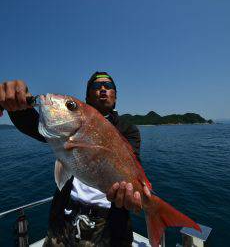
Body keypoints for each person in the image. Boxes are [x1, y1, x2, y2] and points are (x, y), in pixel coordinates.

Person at [0, 72, 150, 247]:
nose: (102, 89)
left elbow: (132, 169)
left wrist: (135, 195)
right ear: (87, 97)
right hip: (65, 217)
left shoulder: (128, 129)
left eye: (108, 86)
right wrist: (15, 105)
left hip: (109, 224)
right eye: (96, 86)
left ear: (115, 97)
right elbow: (34, 125)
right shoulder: (64, 130)